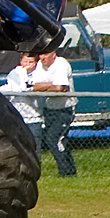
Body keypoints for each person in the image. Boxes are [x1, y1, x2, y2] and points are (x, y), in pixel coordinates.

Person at [29, 48, 77, 176]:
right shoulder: (40, 65)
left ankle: (65, 172)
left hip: (65, 108)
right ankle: (70, 171)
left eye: (45, 54)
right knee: (61, 141)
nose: (42, 57)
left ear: (53, 54)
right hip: (49, 108)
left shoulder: (61, 64)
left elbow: (60, 88)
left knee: (53, 139)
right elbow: (34, 87)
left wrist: (45, 86)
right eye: (40, 54)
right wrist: (50, 85)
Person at [3, 53, 43, 139]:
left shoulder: (39, 74)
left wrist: (24, 73)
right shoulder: (14, 73)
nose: (27, 64)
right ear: (21, 61)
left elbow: (24, 88)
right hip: (17, 117)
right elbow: (16, 88)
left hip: (34, 118)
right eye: (25, 61)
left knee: (34, 145)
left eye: (31, 62)